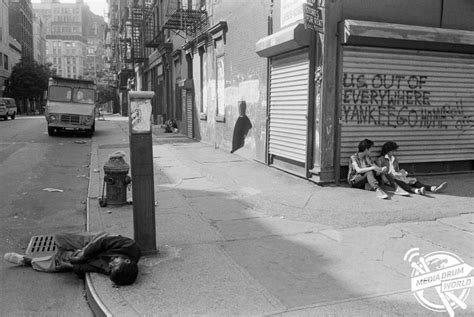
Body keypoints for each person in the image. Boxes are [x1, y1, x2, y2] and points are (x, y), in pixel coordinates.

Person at [3, 232, 141, 286]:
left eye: (110, 267)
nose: (111, 264)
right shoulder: (131, 247)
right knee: (59, 238)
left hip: (92, 255)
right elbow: (102, 243)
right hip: (96, 242)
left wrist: (71, 266)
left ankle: (26, 260)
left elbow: (90, 267)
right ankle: (70, 251)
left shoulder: (112, 269)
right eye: (114, 263)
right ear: (127, 261)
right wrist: (82, 255)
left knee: (61, 263)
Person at [376, 141, 447, 195]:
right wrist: (391, 177)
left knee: (413, 181)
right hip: (390, 179)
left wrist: (402, 173)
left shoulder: (395, 159)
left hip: (397, 176)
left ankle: (433, 188)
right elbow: (382, 174)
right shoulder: (380, 160)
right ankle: (417, 191)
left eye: (394, 151)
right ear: (387, 150)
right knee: (401, 182)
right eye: (392, 151)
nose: (394, 152)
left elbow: (396, 170)